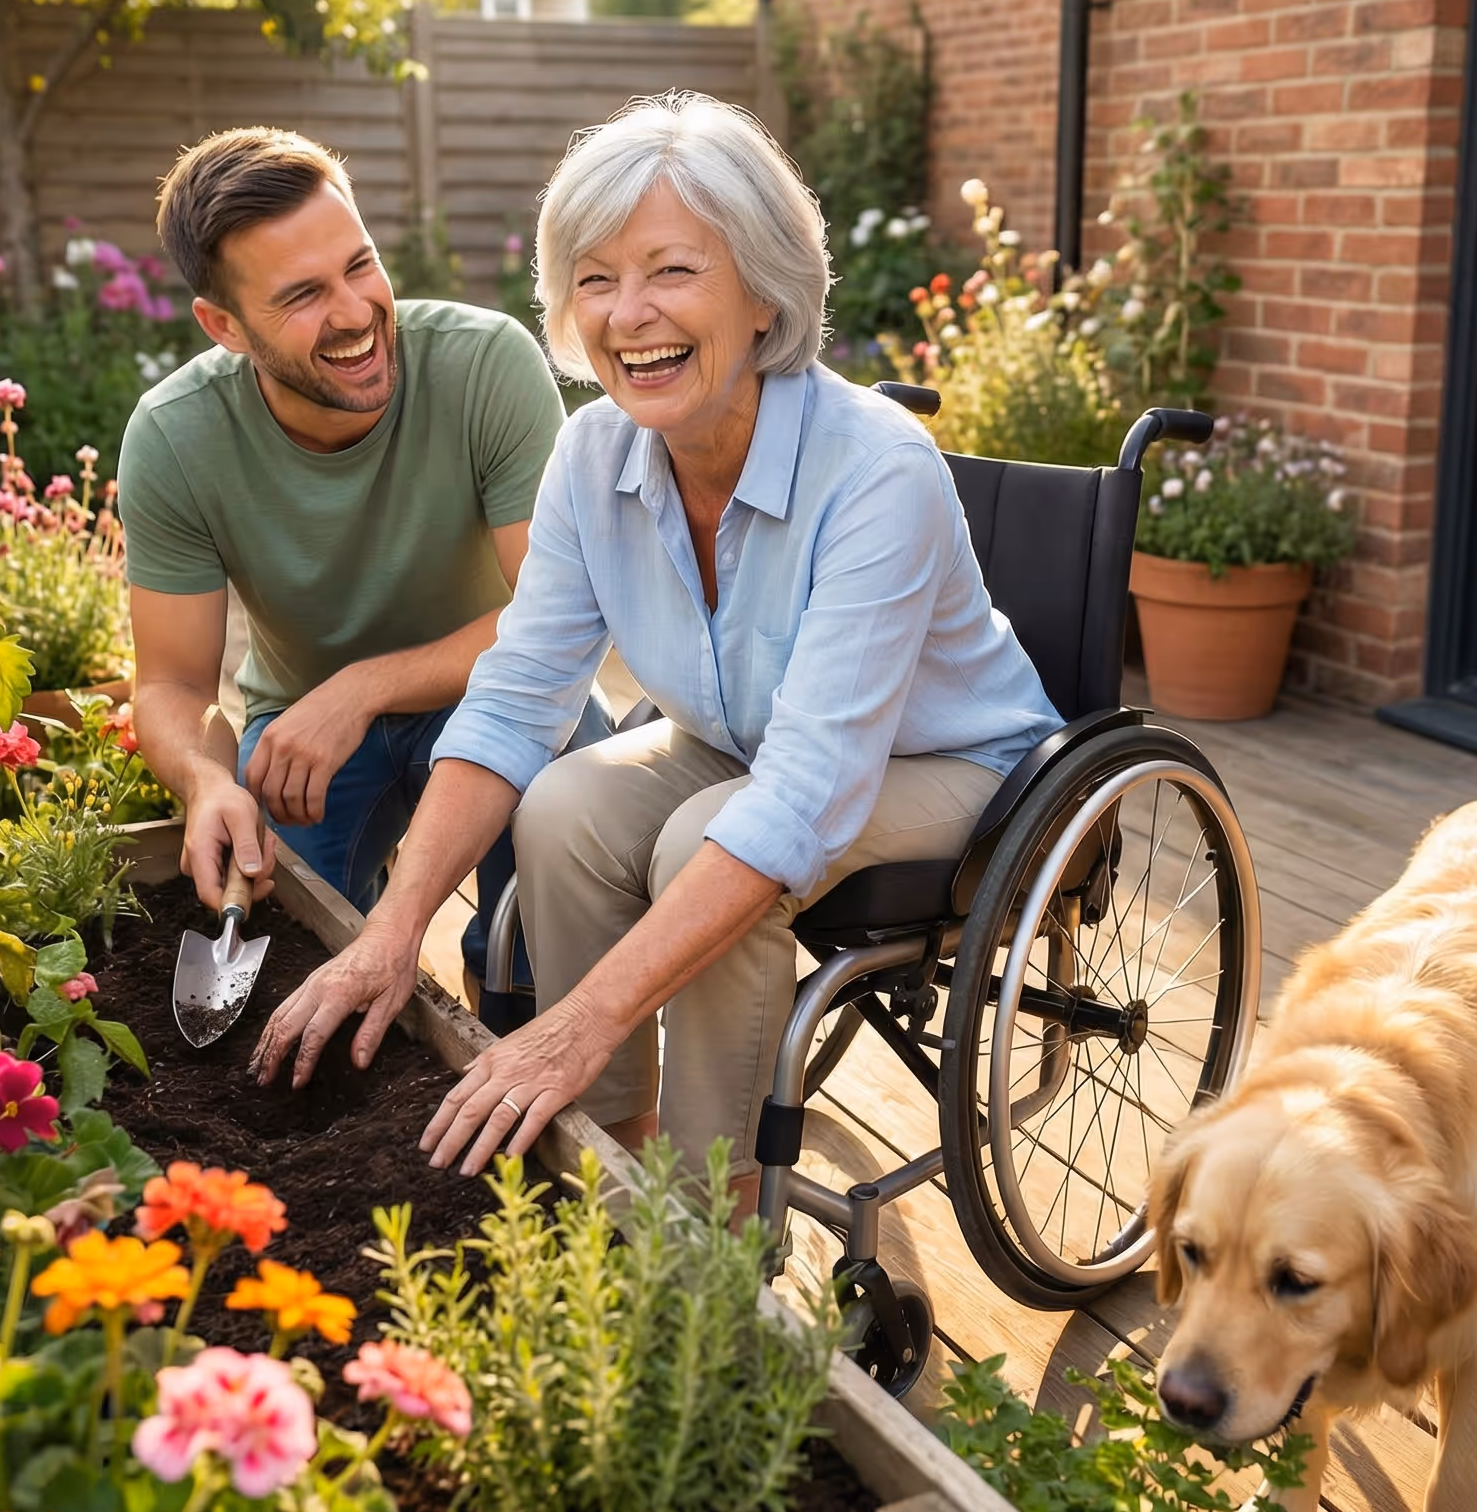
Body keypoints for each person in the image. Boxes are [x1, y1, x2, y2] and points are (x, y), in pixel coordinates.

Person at [252, 93, 1062, 1194]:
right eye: (593, 278)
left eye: (671, 270)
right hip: (736, 745)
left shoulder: (876, 467)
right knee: (564, 803)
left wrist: (572, 1018)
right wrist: (391, 932)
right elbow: (512, 701)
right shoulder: (591, 455)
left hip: (957, 769)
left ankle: (712, 1214)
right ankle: (604, 1166)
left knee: (706, 842)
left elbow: (804, 793)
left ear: (764, 286)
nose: (627, 312)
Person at [119, 126, 596, 1013]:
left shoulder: (484, 365)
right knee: (285, 933)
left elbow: (556, 617)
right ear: (224, 326)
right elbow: (172, 684)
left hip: (504, 690)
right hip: (305, 733)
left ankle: (519, 1029)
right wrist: (207, 780)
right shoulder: (176, 436)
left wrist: (365, 687)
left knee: (561, 925)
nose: (352, 312)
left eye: (359, 265)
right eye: (302, 294)